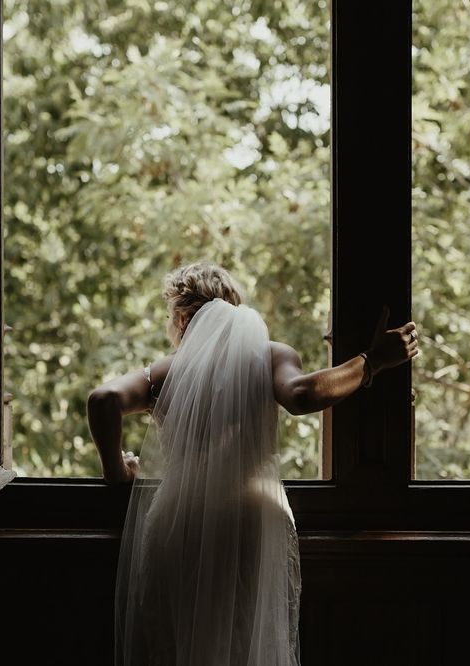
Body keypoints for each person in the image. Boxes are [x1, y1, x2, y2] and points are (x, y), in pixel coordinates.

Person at [87, 261, 418, 666]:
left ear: (180, 317)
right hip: (252, 521)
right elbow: (301, 395)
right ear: (235, 307)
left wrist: (117, 475)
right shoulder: (270, 355)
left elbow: (102, 400)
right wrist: (372, 362)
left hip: (180, 520)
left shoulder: (165, 373)